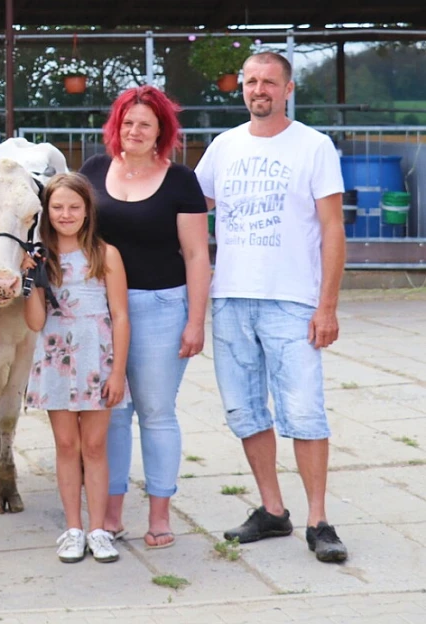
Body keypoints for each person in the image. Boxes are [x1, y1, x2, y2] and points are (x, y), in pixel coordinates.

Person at [194, 52, 349, 563]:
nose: (258, 89)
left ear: (288, 88)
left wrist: (326, 305)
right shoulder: (223, 146)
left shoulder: (313, 146)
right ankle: (272, 509)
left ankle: (318, 519)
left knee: (304, 411)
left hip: (291, 300)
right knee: (246, 410)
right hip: (232, 298)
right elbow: (193, 209)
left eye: (269, 82)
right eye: (250, 81)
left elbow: (332, 228)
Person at [79, 86, 211, 550]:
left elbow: (196, 255)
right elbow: (70, 229)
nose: (134, 131)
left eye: (145, 124)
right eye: (127, 122)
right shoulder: (93, 171)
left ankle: (159, 515)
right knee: (111, 413)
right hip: (100, 311)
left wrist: (196, 320)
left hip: (160, 308)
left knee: (155, 413)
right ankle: (111, 514)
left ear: (162, 132)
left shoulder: (180, 181)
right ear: (116, 125)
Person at [23, 172, 130, 564]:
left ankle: (99, 529)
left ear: (87, 211)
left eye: (74, 207)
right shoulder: (39, 260)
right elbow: (35, 322)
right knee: (66, 445)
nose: (65, 214)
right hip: (56, 359)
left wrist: (117, 372)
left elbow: (120, 316)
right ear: (46, 212)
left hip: (95, 360)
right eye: (57, 207)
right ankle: (72, 528)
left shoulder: (106, 255)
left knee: (95, 445)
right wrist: (28, 279)